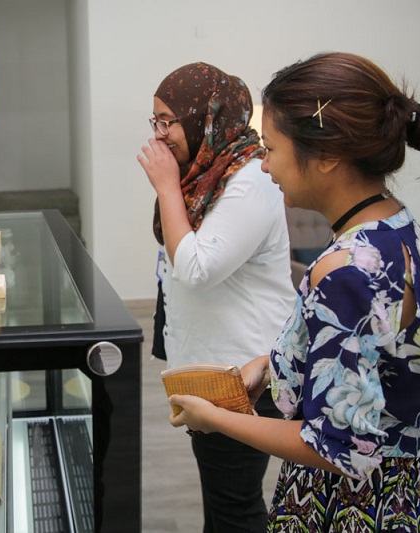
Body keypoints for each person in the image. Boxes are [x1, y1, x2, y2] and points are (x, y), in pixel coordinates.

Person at [168, 52, 420, 531]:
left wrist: (215, 419)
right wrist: (273, 365)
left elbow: (336, 447)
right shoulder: (400, 226)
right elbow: (375, 365)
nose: (263, 166)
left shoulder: (343, 271)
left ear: (326, 157)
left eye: (272, 149)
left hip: (354, 511)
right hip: (415, 497)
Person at [137, 63, 296, 532]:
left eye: (168, 120)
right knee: (225, 500)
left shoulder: (250, 179)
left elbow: (197, 267)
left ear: (204, 117)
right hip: (212, 365)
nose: (160, 134)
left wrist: (166, 187)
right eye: (155, 121)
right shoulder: (207, 171)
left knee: (233, 506)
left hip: (244, 374)